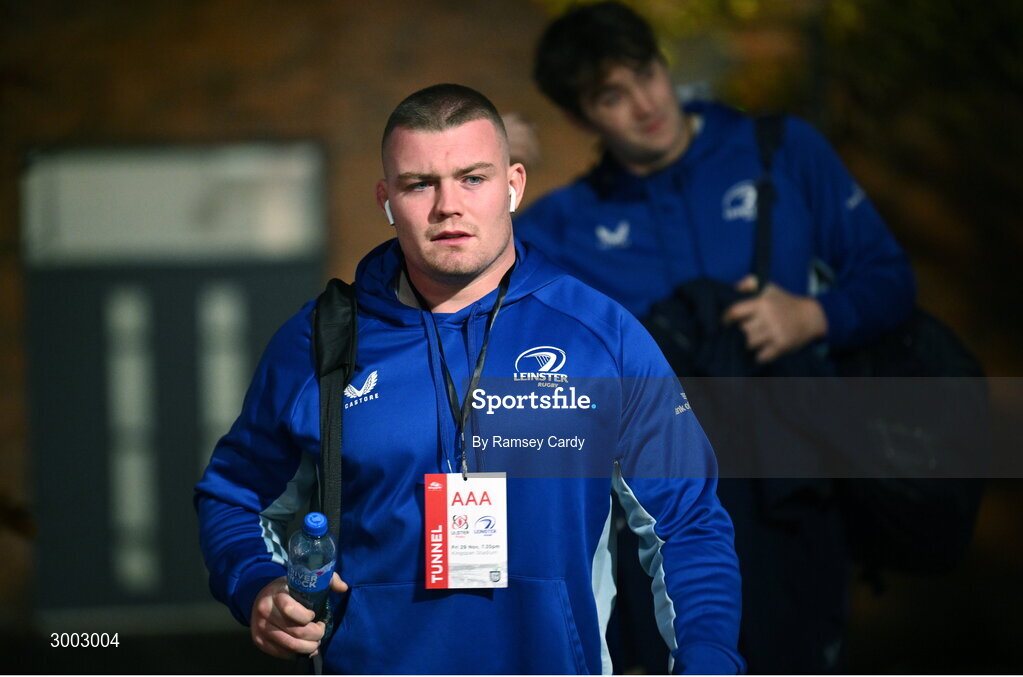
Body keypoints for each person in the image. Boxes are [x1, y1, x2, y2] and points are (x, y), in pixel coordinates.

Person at [195, 83, 745, 675]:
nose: (447, 205)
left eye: (472, 178)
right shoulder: (319, 342)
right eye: (419, 184)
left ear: (513, 186)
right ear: (386, 198)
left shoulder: (601, 335)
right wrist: (255, 584)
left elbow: (687, 520)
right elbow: (233, 497)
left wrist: (709, 660)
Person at [511, 2, 916, 673]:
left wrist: (812, 316)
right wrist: (489, 169)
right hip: (657, 522)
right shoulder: (562, 224)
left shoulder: (781, 151)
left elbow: (888, 278)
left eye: (645, 73)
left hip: (794, 499)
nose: (644, 103)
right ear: (582, 118)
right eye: (612, 95)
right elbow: (468, 299)